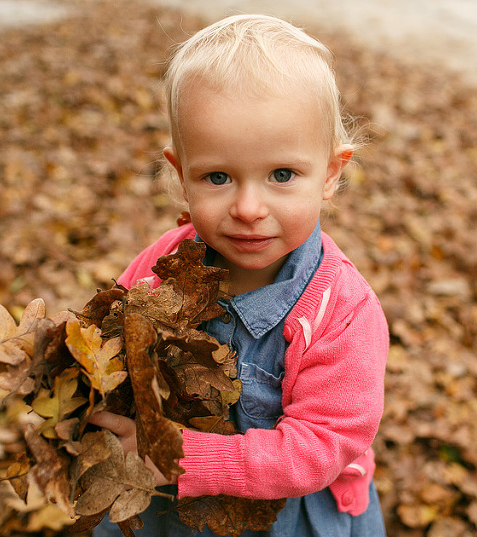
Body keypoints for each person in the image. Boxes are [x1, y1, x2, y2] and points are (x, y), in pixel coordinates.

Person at [91, 13, 389, 537]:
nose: (249, 208)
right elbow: (108, 340)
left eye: (281, 175)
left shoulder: (342, 312)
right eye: (218, 177)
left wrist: (182, 456)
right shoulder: (162, 268)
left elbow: (320, 446)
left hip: (285, 518)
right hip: (168, 506)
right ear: (181, 175)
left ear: (330, 174)